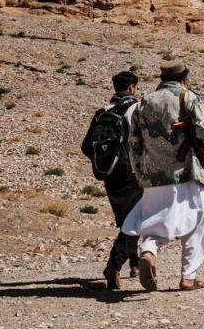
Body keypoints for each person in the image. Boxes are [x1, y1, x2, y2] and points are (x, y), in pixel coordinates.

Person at [123, 62, 204, 292]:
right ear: (185, 77)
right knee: (196, 222)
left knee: (157, 223)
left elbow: (133, 142)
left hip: (153, 175)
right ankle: (188, 277)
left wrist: (140, 173)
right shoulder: (188, 98)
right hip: (187, 173)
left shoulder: (143, 102)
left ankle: (149, 252)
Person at [80, 70, 143, 290]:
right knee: (136, 219)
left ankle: (135, 265)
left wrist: (108, 162)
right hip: (131, 174)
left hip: (110, 175)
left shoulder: (102, 112)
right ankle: (113, 266)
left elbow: (86, 146)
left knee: (127, 219)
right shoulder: (136, 108)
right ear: (133, 87)